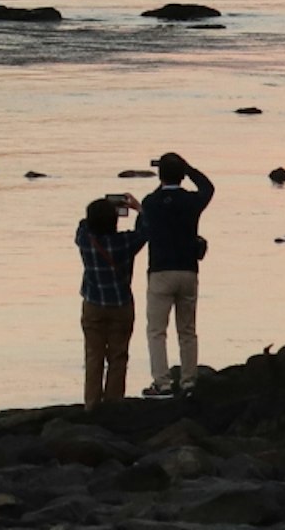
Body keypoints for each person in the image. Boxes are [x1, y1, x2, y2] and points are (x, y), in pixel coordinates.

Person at [138, 152, 216, 394]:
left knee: (156, 331)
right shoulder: (191, 201)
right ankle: (189, 381)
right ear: (182, 175)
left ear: (160, 175)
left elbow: (143, 228)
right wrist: (188, 167)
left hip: (160, 270)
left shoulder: (150, 202)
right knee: (187, 330)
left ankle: (162, 383)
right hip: (188, 269)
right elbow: (208, 187)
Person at [75, 194, 144, 408]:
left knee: (93, 356)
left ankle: (91, 405)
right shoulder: (125, 242)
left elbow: (82, 224)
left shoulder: (86, 240)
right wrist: (139, 209)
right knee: (118, 356)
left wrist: (105, 207)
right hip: (121, 304)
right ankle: (113, 404)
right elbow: (147, 231)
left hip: (93, 304)